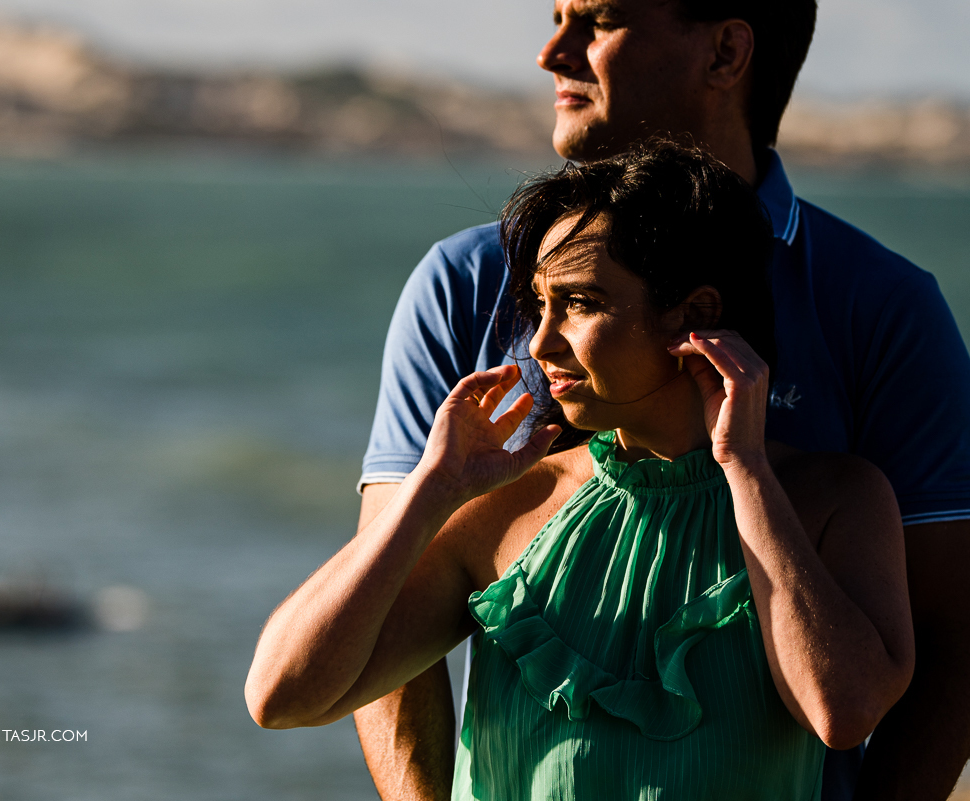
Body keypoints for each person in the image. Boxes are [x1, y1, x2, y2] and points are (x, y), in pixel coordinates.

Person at [355, 2, 970, 800]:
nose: (552, 52)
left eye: (599, 20)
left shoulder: (882, 307)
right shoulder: (461, 286)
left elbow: (953, 642)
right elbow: (378, 616)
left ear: (725, 52)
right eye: (556, 16)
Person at [246, 143, 915, 800]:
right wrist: (430, 489)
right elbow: (280, 696)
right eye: (540, 303)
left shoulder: (833, 500)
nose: (541, 342)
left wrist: (745, 468)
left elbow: (842, 712)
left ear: (696, 315)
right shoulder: (511, 504)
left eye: (580, 303)